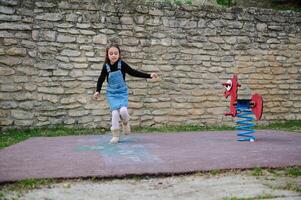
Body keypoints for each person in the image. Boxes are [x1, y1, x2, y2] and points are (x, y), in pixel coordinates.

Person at [93, 45, 158, 144]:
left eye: (116, 53)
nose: (113, 55)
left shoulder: (122, 64)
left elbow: (133, 72)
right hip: (112, 93)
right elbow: (101, 79)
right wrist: (98, 91)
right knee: (115, 113)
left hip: (122, 92)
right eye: (111, 53)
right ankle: (115, 136)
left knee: (123, 111)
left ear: (119, 55)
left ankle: (126, 123)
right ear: (107, 55)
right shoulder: (106, 67)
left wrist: (149, 75)